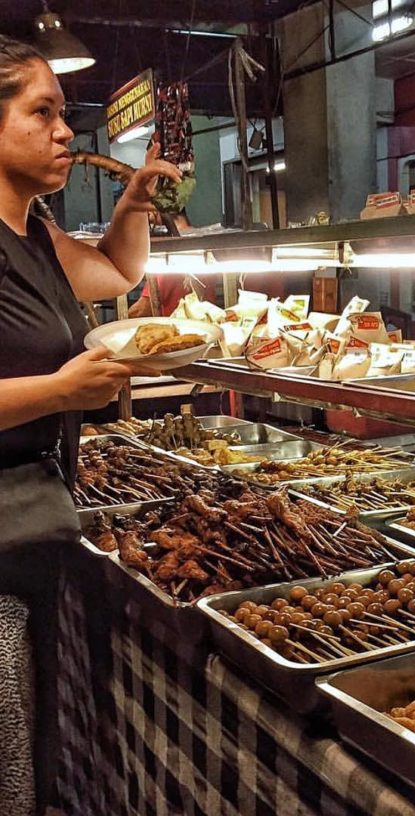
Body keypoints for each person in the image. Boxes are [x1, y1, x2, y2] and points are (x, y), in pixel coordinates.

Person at [0, 36, 180, 813]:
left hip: (34, 525)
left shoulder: (35, 234)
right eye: (42, 113)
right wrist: (60, 391)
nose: (66, 131)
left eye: (64, 115)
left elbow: (117, 272)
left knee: (29, 747)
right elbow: (49, 385)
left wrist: (133, 204)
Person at [128, 210, 217, 317]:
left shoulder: (170, 254)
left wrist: (115, 324)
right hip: (206, 324)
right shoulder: (202, 244)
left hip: (178, 328)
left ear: (153, 212)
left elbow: (143, 309)